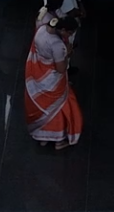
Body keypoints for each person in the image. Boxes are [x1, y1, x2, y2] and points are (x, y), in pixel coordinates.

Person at [25, 15, 83, 150]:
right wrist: (68, 53)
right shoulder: (57, 45)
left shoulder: (41, 30)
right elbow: (61, 68)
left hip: (38, 77)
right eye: (69, 33)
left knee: (43, 108)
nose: (69, 36)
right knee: (59, 107)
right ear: (63, 29)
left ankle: (43, 139)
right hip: (53, 81)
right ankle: (58, 141)